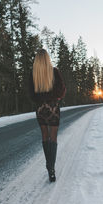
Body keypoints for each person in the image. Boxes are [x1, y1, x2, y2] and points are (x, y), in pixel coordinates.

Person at [29, 49, 66, 182]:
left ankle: (48, 165)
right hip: (53, 107)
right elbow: (62, 89)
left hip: (40, 109)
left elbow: (31, 95)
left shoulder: (33, 74)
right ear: (47, 59)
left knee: (44, 136)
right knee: (53, 137)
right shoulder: (54, 71)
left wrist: (40, 99)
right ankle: (52, 168)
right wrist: (54, 98)